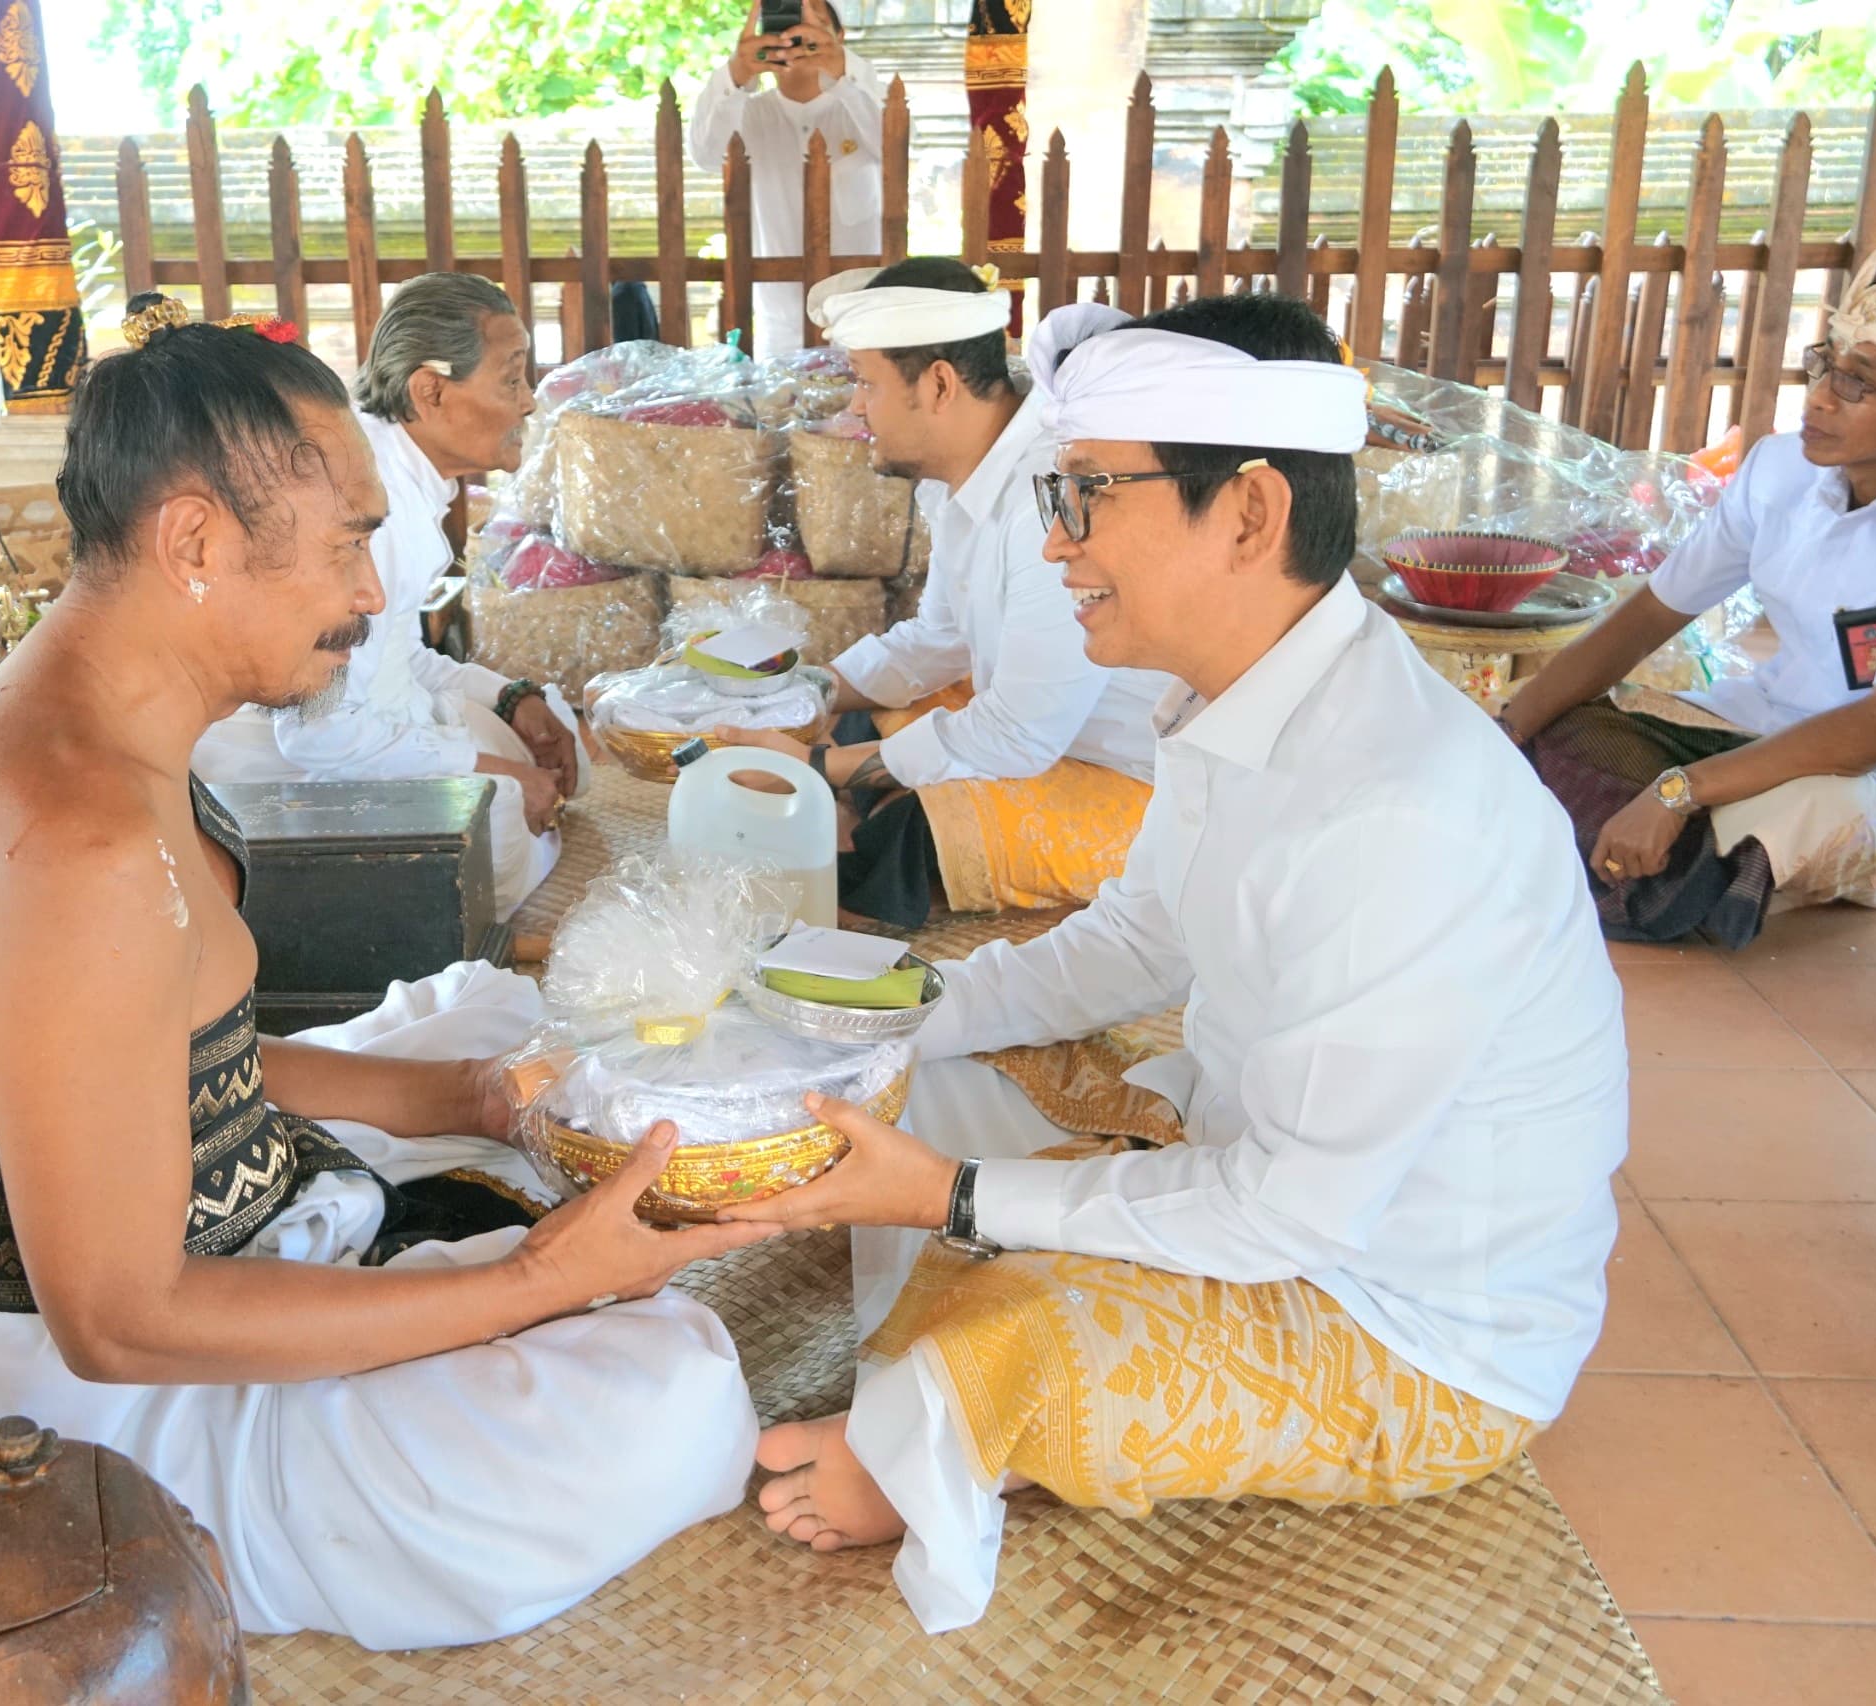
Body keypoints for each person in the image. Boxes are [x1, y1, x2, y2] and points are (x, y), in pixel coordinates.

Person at [0, 296, 775, 1649]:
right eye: (347, 542)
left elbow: (160, 1056)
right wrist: (539, 1283)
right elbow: (117, 1319)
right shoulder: (72, 838)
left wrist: (469, 1094)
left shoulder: (95, 722)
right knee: (678, 1387)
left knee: (503, 1015)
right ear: (196, 542)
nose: (365, 588)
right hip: (85, 1412)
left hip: (148, 1235)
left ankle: (421, 1212)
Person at [709, 294, 1628, 1633]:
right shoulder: (1233, 694)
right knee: (955, 1062)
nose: (1058, 544)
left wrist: (956, 1197)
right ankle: (943, 1294)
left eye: (1086, 496)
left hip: (1411, 1321)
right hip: (1277, 1167)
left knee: (1006, 1317)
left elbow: (1286, 1220)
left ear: (1249, 513)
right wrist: (892, 1018)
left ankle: (917, 1445)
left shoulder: (1397, 805)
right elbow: (1134, 937)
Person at [1507, 247, 1876, 947]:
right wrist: (1506, 734)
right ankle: (1693, 871)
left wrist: (1681, 789)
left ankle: (1679, 858)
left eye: (1857, 384)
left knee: (1808, 805)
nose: (1819, 396)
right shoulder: (1780, 466)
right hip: (1760, 726)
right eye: (1827, 362)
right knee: (1560, 723)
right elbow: (1649, 616)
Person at [715, 259, 1169, 928]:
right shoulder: (953, 477)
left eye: (866, 384)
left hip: (1133, 774)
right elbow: (939, 641)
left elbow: (1021, 734)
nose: (855, 409)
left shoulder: (1049, 497)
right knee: (881, 710)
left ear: (938, 384)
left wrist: (818, 766)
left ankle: (861, 852)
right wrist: (799, 693)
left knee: (915, 825)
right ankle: (852, 805)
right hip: (1045, 731)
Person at [191, 273, 587, 916]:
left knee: (549, 737)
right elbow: (320, 735)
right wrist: (506, 773)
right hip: (289, 762)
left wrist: (510, 697)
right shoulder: (377, 504)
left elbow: (395, 653)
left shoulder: (405, 480)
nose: (528, 403)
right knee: (513, 819)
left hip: (362, 723)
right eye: (510, 378)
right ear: (430, 391)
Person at [688, 0, 882, 358]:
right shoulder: (747, 113)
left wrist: (841, 68)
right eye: (783, 26)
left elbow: (899, 143)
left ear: (839, 37)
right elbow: (704, 154)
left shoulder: (861, 104)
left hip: (865, 319)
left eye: (813, 26)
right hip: (778, 324)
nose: (795, 37)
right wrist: (737, 74)